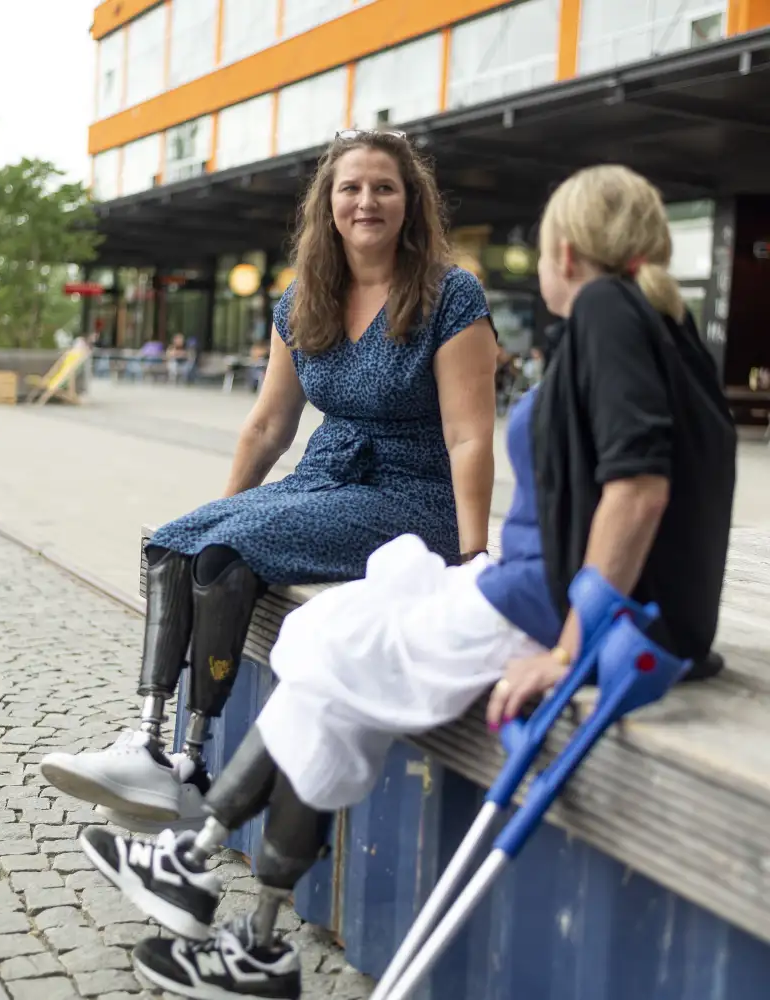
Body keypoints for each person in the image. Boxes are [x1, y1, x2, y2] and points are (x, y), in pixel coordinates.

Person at [79, 163, 737, 1000]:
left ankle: (208, 876)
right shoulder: (662, 322)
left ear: (566, 254)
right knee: (329, 643)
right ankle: (227, 902)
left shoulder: (606, 309)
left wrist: (571, 647)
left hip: (547, 605)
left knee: (332, 643)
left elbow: (639, 489)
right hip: (547, 588)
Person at [40, 128, 498, 835]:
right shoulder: (305, 298)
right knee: (177, 542)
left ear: (411, 202)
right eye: (351, 187)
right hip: (325, 478)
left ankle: (190, 767)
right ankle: (148, 741)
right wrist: (224, 511)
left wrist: (472, 556)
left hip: (412, 494)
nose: (367, 201)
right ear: (328, 203)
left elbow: (469, 435)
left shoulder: (450, 295)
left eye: (384, 187)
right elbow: (267, 426)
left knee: (229, 551)